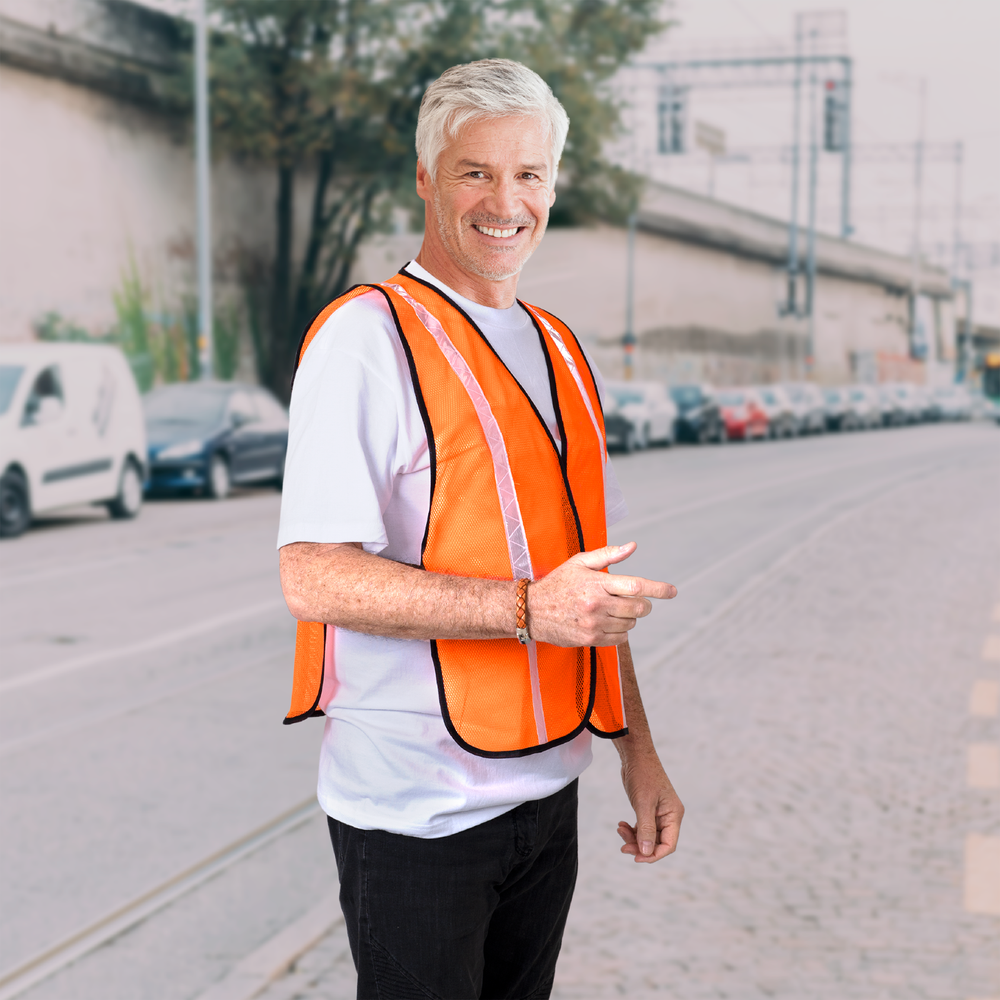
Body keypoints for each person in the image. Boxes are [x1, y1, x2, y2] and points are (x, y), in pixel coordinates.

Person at [277, 58, 684, 1000]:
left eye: (529, 175)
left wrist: (639, 753)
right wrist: (526, 608)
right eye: (476, 172)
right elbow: (313, 577)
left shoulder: (558, 346)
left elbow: (582, 583)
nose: (507, 202)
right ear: (426, 177)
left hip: (547, 798)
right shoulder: (364, 340)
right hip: (416, 815)